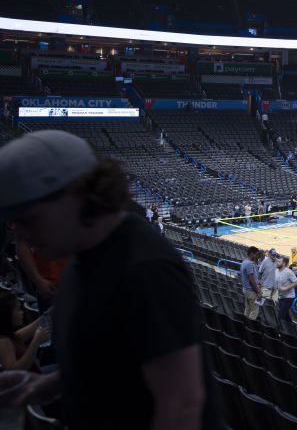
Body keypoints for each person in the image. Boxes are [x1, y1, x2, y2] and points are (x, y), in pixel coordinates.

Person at [0, 130, 221, 429]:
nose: (21, 235)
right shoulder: (85, 254)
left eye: (28, 219)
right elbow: (115, 360)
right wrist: (48, 385)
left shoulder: (145, 269)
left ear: (77, 197)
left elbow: (182, 404)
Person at [0, 291, 50, 372]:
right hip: (33, 382)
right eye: (18, 309)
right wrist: (36, 342)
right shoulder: (3, 342)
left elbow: (37, 323)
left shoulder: (11, 336)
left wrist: (52, 311)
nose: (22, 312)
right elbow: (14, 373)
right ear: (7, 314)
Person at [240, 246, 263, 319]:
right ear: (252, 254)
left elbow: (250, 278)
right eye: (256, 254)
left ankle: (245, 324)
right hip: (251, 291)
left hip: (246, 290)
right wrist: (258, 292)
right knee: (254, 311)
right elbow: (251, 280)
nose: (257, 256)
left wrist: (257, 281)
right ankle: (250, 327)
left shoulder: (244, 262)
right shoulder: (249, 264)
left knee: (248, 309)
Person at [274, 255, 297, 321]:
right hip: (280, 296)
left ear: (284, 263)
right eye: (277, 261)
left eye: (279, 262)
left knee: (280, 316)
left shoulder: (288, 272)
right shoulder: (276, 271)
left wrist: (286, 288)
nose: (277, 263)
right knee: (286, 317)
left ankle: (279, 330)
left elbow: (296, 282)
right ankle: (292, 328)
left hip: (288, 297)